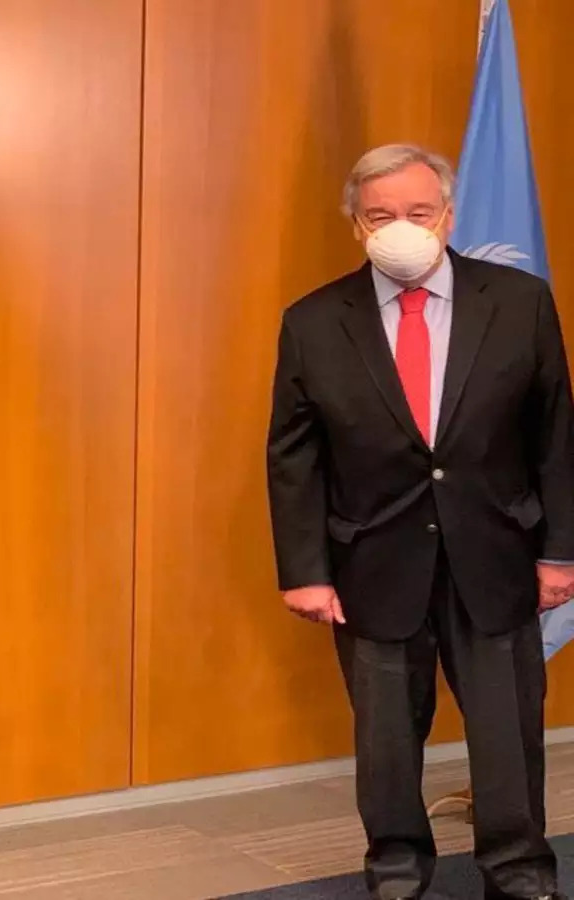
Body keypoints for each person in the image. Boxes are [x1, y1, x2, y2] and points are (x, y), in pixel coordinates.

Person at [266, 143, 574, 900]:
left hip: (496, 554)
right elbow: (294, 457)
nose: (400, 227)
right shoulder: (313, 321)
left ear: (448, 215)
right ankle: (398, 872)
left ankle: (519, 871)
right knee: (386, 743)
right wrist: (305, 572)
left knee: (507, 733)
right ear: (356, 225)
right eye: (380, 216)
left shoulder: (520, 301)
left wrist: (560, 553)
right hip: (372, 562)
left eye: (418, 211)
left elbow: (555, 436)